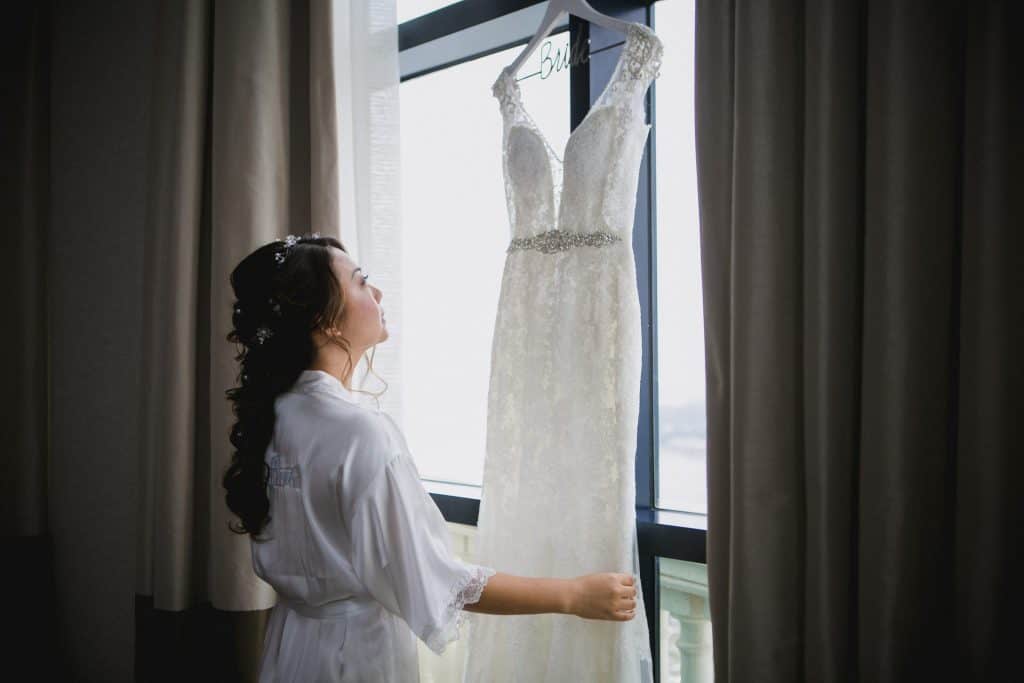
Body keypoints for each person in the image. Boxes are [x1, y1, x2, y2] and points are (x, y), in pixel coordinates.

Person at [222, 233, 638, 682]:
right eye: (361, 283)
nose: (377, 292)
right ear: (327, 322)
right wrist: (573, 595)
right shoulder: (359, 432)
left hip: (290, 646)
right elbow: (436, 579)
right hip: (353, 658)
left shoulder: (276, 414)